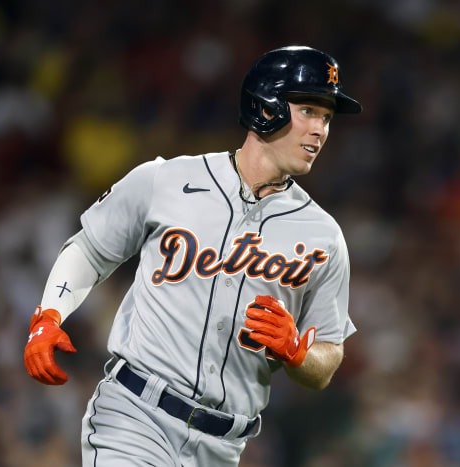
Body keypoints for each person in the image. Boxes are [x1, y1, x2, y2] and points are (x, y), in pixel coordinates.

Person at [23, 45, 362, 466]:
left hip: (224, 447)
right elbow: (91, 248)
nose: (321, 130)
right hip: (135, 416)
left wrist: (298, 353)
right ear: (266, 106)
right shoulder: (167, 179)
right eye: (310, 110)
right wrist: (49, 315)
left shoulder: (323, 236)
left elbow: (327, 359)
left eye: (327, 118)